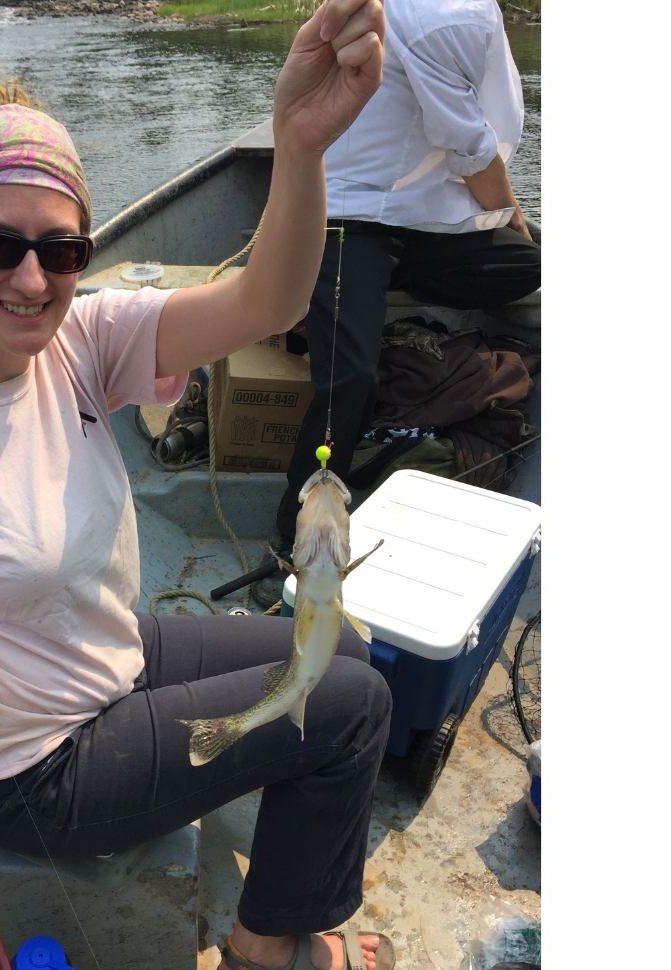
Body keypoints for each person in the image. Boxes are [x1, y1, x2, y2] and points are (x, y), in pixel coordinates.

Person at [0, 1, 396, 970]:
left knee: (338, 651)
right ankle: (269, 956)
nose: (34, 278)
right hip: (39, 772)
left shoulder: (83, 342)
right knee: (355, 708)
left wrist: (299, 146)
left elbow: (269, 304)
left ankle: (262, 808)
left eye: (64, 248)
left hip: (114, 658)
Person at [253, 0, 541, 607]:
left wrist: (517, 233)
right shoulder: (438, 16)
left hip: (421, 218)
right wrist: (513, 216)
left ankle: (376, 305)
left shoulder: (466, 10)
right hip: (347, 214)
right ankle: (290, 532)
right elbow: (473, 155)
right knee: (350, 373)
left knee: (530, 267)